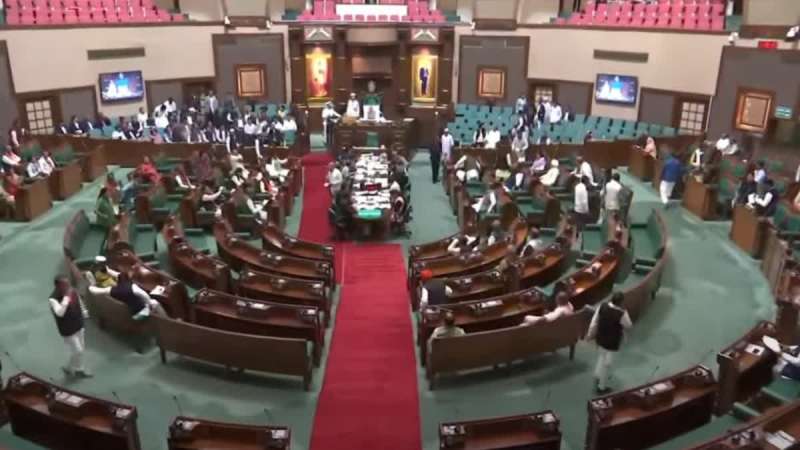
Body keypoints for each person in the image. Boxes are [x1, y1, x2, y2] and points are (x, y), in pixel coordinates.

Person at [586, 292, 632, 394]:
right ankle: (601, 387)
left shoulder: (602, 306)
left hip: (600, 337)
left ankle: (597, 374)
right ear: (621, 302)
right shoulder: (622, 313)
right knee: (607, 364)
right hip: (612, 342)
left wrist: (590, 334)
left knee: (602, 356)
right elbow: (628, 325)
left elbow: (594, 321)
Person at [49, 276, 91, 377]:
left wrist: (84, 312)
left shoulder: (72, 290)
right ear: (57, 286)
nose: (68, 287)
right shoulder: (53, 299)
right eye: (64, 285)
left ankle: (71, 368)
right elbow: (60, 313)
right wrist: (66, 298)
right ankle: (78, 369)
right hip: (67, 329)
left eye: (68, 284)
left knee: (80, 349)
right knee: (78, 350)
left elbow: (79, 301)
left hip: (78, 323)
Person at [88, 271, 163, 320]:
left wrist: (91, 285)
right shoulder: (133, 287)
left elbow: (95, 291)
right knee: (154, 303)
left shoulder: (114, 289)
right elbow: (145, 296)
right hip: (139, 314)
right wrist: (149, 305)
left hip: (131, 310)